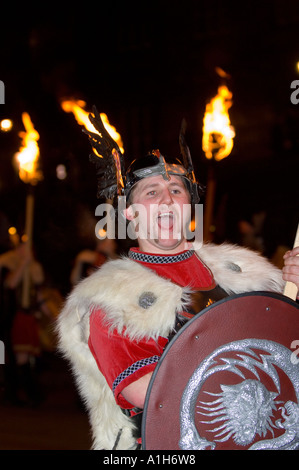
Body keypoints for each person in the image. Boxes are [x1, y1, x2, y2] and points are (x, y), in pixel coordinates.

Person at [57, 111, 299, 450]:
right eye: (152, 192)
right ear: (130, 213)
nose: (168, 199)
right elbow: (153, 393)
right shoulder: (111, 299)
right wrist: (267, 362)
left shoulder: (245, 276)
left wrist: (292, 307)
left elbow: (283, 344)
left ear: (190, 207)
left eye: (176, 190)